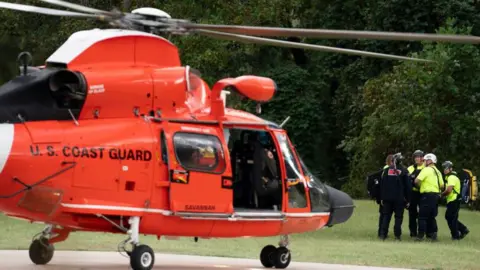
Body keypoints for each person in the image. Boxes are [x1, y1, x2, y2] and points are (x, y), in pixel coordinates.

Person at [378, 153, 411, 240]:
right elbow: (408, 187)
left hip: (387, 198)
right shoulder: (404, 171)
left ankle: (382, 234)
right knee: (398, 217)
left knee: (386, 216)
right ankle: (397, 235)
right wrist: (408, 199)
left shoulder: (386, 170)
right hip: (399, 199)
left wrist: (382, 197)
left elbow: (382, 185)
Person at [414, 153, 444, 241]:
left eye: (425, 160)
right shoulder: (438, 171)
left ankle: (420, 235)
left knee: (422, 216)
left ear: (429, 160)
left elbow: (416, 181)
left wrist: (421, 186)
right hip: (436, 196)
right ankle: (433, 234)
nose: (424, 162)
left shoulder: (426, 170)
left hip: (427, 195)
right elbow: (442, 186)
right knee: (432, 216)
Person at [441, 161, 470, 240]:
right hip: (452, 200)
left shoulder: (451, 177)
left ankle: (455, 236)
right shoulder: (449, 177)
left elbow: (449, 190)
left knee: (451, 218)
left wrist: (441, 195)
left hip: (454, 200)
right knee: (450, 217)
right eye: (444, 168)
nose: (445, 170)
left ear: (450, 168)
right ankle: (463, 229)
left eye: (446, 168)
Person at [407, 150, 425, 238]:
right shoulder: (410, 168)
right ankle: (413, 232)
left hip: (423, 193)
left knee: (423, 213)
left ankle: (423, 232)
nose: (417, 159)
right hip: (413, 193)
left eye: (419, 157)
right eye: (416, 157)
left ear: (423, 158)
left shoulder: (426, 168)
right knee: (412, 213)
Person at [376, 155, 393, 238]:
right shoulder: (388, 169)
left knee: (383, 215)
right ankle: (383, 233)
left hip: (382, 195)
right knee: (386, 215)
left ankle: (381, 232)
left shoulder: (384, 169)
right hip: (387, 196)